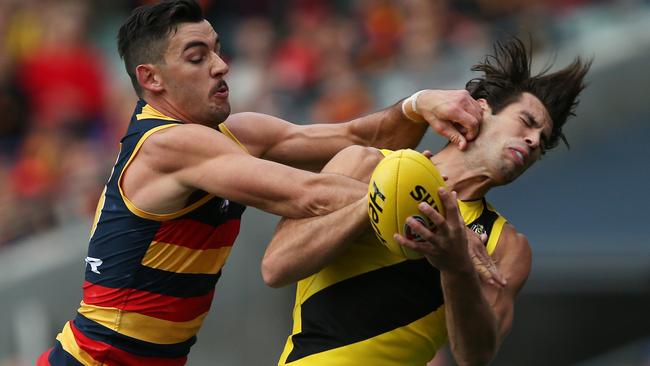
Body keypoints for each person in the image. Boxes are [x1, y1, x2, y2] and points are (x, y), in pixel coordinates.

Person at [36, 1, 484, 365]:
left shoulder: (236, 135)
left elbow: (356, 137)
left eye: (217, 49)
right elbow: (308, 196)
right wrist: (448, 219)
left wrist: (418, 105)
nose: (221, 65)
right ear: (151, 79)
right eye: (198, 57)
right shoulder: (166, 146)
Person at [262, 38, 591, 365]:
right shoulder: (364, 165)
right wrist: (377, 201)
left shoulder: (505, 246)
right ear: (481, 108)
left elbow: (474, 356)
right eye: (526, 122)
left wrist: (456, 267)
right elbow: (276, 267)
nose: (533, 141)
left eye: (542, 141)